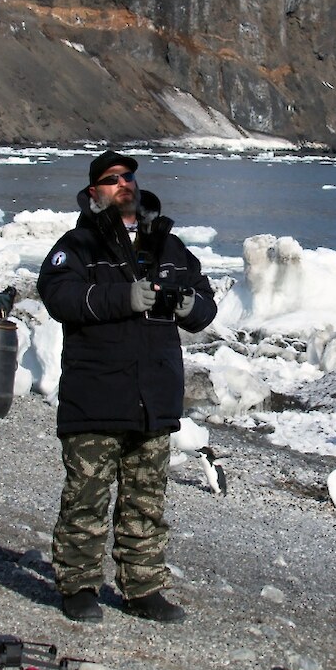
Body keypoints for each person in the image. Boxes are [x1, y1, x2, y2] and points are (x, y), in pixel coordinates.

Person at [37, 151, 217, 624]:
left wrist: (188, 307)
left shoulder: (170, 246)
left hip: (152, 399)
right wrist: (123, 297)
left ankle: (143, 589)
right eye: (111, 179)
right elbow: (58, 296)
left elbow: (206, 306)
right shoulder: (76, 245)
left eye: (128, 177)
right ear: (94, 191)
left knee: (146, 500)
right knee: (86, 499)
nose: (124, 184)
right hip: (95, 394)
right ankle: (77, 586)